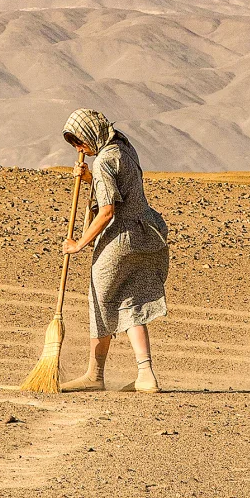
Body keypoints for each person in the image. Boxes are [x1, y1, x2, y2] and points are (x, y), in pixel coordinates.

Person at [58, 108, 169, 393]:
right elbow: (122, 188)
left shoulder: (104, 160)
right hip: (145, 233)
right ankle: (146, 374)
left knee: (101, 300)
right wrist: (90, 178)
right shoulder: (123, 147)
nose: (80, 149)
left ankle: (95, 375)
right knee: (130, 300)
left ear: (92, 134)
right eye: (75, 145)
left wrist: (79, 244)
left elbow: (107, 211)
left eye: (80, 142)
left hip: (120, 238)